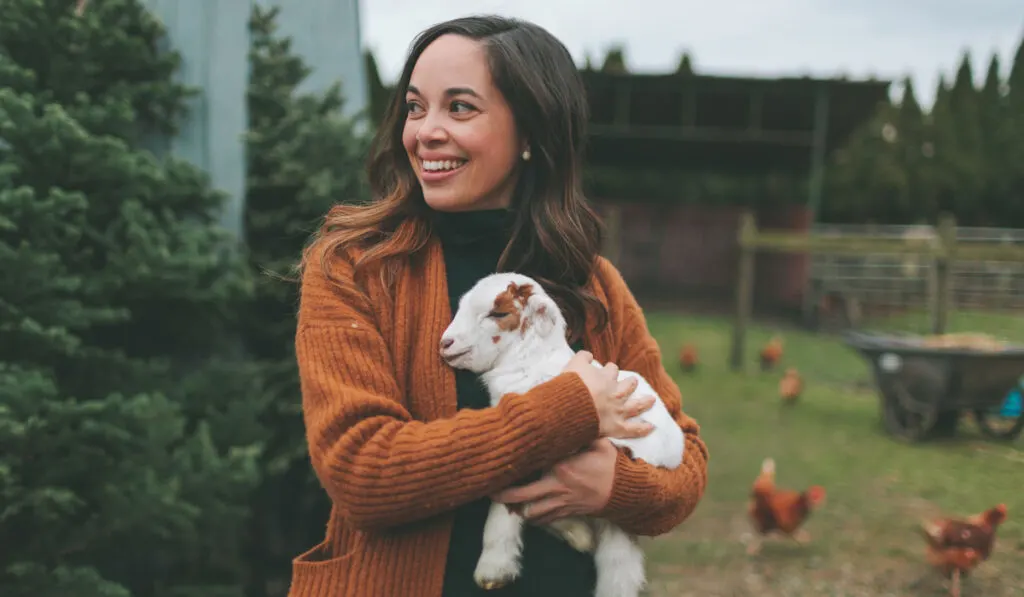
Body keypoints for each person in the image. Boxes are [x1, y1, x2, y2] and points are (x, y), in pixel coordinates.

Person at [289, 14, 708, 597]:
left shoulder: (591, 284)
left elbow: (685, 464)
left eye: (459, 108)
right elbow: (363, 472)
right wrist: (565, 412)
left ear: (531, 133)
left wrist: (617, 487)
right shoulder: (356, 268)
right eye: (415, 107)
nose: (426, 131)